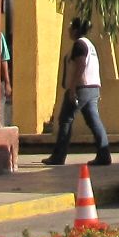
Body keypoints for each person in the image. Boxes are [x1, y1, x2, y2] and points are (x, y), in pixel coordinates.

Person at [44, 17, 111, 166]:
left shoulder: (79, 45)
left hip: (81, 88)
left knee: (65, 119)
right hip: (93, 88)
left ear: (75, 30)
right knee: (94, 121)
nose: (68, 30)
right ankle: (104, 155)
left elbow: (81, 66)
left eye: (70, 27)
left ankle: (58, 156)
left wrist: (73, 88)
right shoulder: (89, 45)